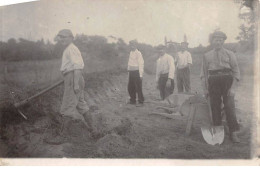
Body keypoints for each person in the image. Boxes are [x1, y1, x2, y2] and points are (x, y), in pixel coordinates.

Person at [45, 29, 95, 144]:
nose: (62, 39)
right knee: (81, 105)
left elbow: (77, 67)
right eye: (60, 37)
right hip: (72, 77)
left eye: (64, 37)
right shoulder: (69, 49)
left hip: (73, 78)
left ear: (71, 38)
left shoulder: (71, 49)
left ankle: (62, 137)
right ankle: (94, 130)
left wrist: (75, 83)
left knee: (67, 106)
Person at [200, 31, 241, 143]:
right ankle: (218, 134)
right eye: (216, 39)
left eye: (220, 40)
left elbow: (236, 72)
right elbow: (203, 74)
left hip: (227, 81)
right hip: (213, 83)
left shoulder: (230, 54)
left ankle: (233, 132)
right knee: (215, 107)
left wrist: (233, 88)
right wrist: (205, 89)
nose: (218, 42)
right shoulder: (206, 55)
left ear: (223, 41)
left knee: (230, 107)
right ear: (212, 41)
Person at [127, 40, 144, 106]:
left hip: (136, 72)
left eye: (133, 45)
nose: (132, 46)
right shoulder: (131, 52)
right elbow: (129, 62)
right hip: (131, 72)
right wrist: (128, 70)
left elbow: (141, 64)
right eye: (131, 45)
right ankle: (132, 100)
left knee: (138, 87)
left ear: (136, 45)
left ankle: (141, 101)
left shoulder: (138, 53)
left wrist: (141, 74)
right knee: (130, 87)